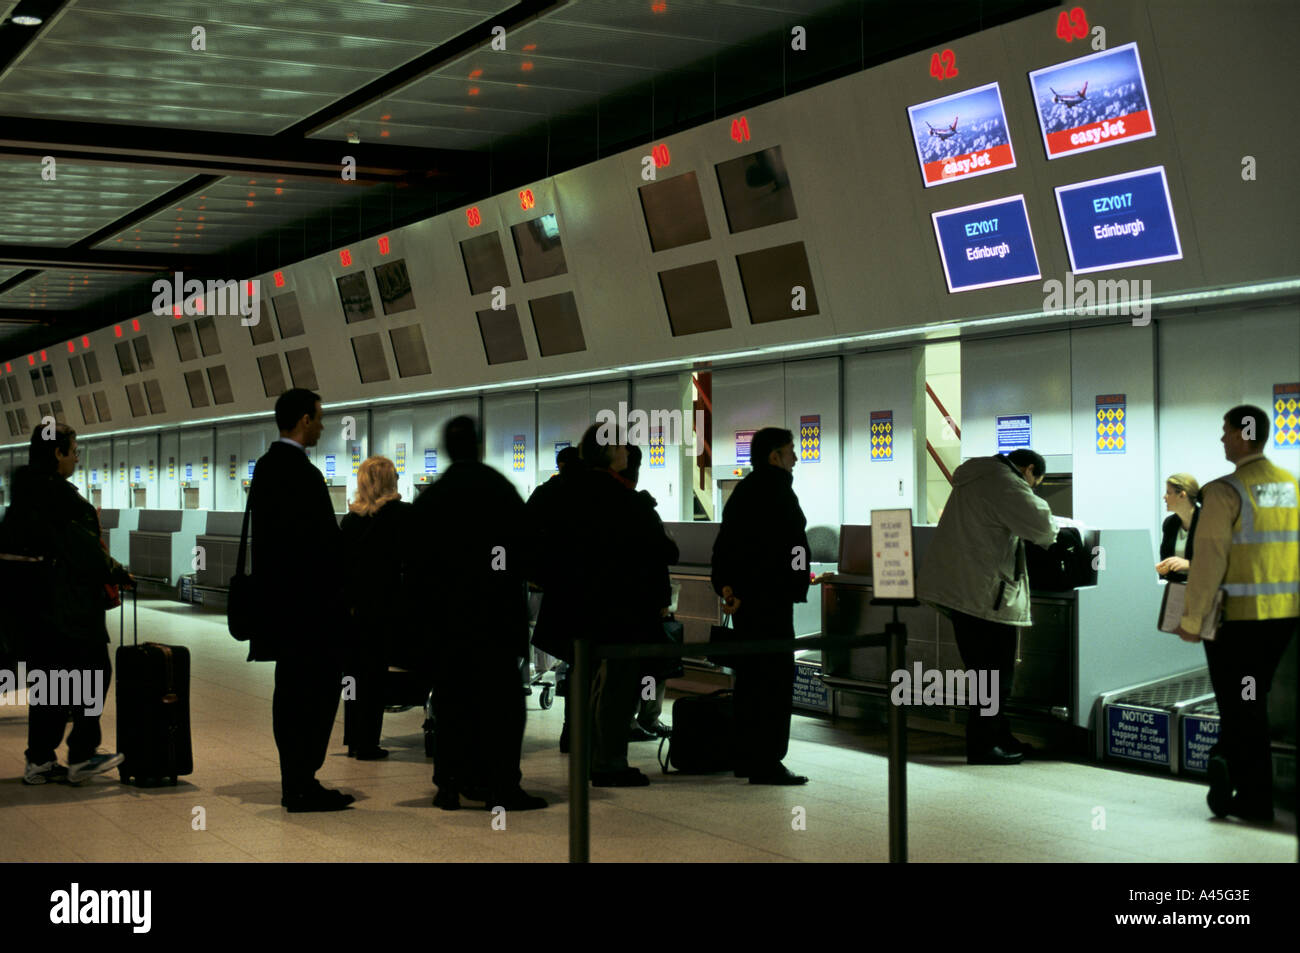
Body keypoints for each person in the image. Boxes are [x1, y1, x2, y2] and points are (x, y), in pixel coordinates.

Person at [412, 416, 546, 811]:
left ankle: (449, 784)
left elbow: (416, 564)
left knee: (453, 703)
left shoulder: (433, 498)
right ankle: (503, 784)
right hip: (494, 619)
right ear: (478, 445)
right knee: (502, 705)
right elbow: (526, 549)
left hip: (447, 623)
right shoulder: (498, 489)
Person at [1174, 405, 1299, 824]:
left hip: (1239, 625)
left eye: (1225, 432)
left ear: (1245, 434)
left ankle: (1252, 797)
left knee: (1241, 706)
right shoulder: (1292, 485)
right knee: (1251, 700)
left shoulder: (1225, 491)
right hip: (1284, 621)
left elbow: (1207, 562)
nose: (1222, 439)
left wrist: (1191, 621)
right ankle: (1231, 768)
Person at [1, 423, 132, 785]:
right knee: (94, 671)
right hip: (67, 608)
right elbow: (84, 551)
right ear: (57, 453)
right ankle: (82, 755)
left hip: (32, 610)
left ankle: (40, 760)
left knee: (51, 684)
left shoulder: (24, 496)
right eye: (74, 451)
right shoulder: (58, 498)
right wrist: (118, 572)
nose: (76, 457)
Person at [249, 388, 354, 813]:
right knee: (317, 692)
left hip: (279, 608)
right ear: (304, 420)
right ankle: (303, 780)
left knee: (289, 692)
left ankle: (292, 777)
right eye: (320, 418)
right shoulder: (302, 474)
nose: (324, 425)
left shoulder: (266, 467)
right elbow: (323, 545)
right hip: (311, 610)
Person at [916, 448, 1058, 765]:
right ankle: (982, 746)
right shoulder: (1005, 481)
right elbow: (1043, 527)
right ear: (1029, 470)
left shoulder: (976, 477)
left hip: (963, 591)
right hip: (983, 596)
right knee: (994, 675)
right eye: (1035, 483)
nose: (1032, 488)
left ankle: (997, 736)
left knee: (985, 673)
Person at [711, 427, 812, 785]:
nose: (795, 457)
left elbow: (725, 546)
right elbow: (796, 547)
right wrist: (800, 580)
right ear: (775, 456)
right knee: (774, 679)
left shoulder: (743, 493)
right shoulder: (781, 493)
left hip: (745, 603)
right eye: (790, 451)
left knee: (751, 680)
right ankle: (767, 759)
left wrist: (726, 585)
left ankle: (746, 756)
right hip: (773, 601)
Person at [339, 455, 413, 760]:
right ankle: (369, 742)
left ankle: (354, 738)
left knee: (354, 675)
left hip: (354, 610)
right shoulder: (401, 515)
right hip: (385, 607)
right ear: (390, 480)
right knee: (375, 674)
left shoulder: (350, 520)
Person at [618, 444, 678, 742]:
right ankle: (645, 718)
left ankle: (630, 720)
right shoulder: (642, 508)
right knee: (651, 666)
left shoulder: (598, 507)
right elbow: (670, 551)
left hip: (620, 603)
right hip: (647, 603)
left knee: (630, 666)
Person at [1156, 473, 1201, 583]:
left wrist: (1190, 565)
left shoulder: (1209, 522)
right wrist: (1164, 569)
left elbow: (1220, 563)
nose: (1164, 497)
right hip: (1176, 589)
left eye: (1168, 493)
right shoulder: (1169, 523)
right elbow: (1165, 558)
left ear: (1182, 495)